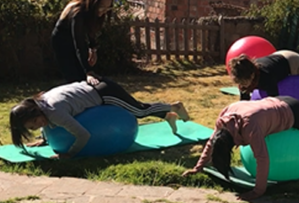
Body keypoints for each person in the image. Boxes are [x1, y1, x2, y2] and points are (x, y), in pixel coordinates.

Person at [182, 96, 299, 200]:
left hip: (292, 110)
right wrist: (197, 168)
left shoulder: (249, 127)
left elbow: (262, 157)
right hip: (273, 105)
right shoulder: (223, 122)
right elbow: (211, 144)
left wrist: (257, 191)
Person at [10, 79, 190, 159]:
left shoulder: (55, 113)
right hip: (93, 89)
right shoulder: (41, 104)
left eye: (35, 123)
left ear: (35, 112)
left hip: (104, 93)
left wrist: (69, 154)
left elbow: (84, 135)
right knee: (138, 108)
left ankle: (174, 107)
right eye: (33, 128)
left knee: (139, 111)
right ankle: (168, 117)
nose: (39, 125)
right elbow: (45, 122)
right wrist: (44, 139)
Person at [52, 0, 114, 85]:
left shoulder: (94, 11)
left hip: (75, 38)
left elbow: (90, 30)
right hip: (62, 41)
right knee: (75, 77)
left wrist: (93, 48)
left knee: (83, 75)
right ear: (95, 3)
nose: (104, 11)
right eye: (102, 7)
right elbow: (79, 44)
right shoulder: (78, 13)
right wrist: (88, 72)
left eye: (107, 8)